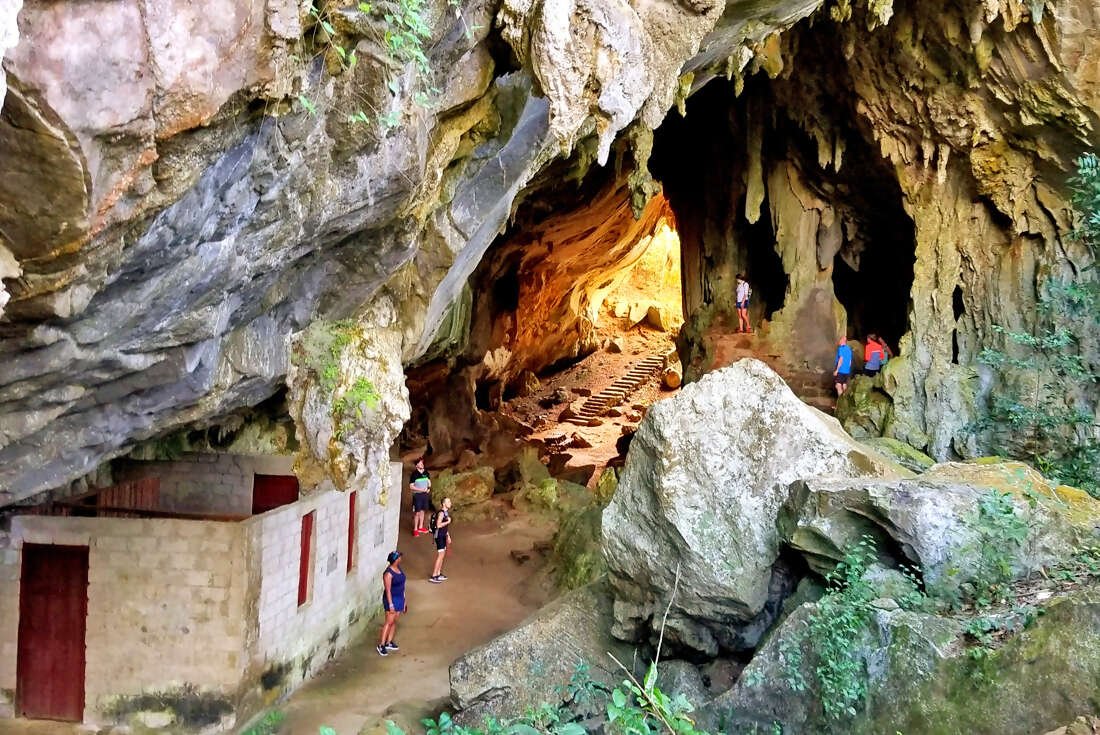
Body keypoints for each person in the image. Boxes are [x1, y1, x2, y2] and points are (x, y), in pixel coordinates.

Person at [377, 551, 406, 656]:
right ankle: (381, 645)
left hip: (399, 597)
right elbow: (388, 591)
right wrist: (391, 604)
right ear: (395, 560)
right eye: (399, 557)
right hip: (391, 599)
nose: (401, 558)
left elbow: (402, 586)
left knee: (394, 621)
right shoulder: (388, 574)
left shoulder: (398, 568)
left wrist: (404, 600)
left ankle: (388, 642)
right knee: (389, 622)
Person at [429, 497, 452, 583]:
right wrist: (448, 522)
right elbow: (438, 525)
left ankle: (438, 573)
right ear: (443, 503)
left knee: (442, 555)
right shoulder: (441, 513)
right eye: (448, 502)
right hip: (439, 536)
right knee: (440, 555)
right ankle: (434, 575)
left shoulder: (445, 513)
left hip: (443, 535)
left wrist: (448, 536)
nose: (450, 503)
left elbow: (445, 527)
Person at [409, 458, 431, 537]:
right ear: (416, 465)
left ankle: (420, 527)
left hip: (424, 495)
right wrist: (421, 490)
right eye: (420, 463)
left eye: (422, 463)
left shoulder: (426, 472)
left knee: (422, 511)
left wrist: (428, 488)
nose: (422, 464)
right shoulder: (414, 474)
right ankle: (415, 529)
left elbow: (429, 482)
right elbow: (411, 486)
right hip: (417, 495)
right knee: (417, 512)